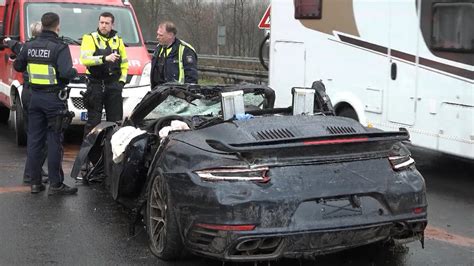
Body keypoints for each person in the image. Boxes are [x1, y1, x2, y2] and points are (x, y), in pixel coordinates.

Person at [14, 12, 78, 195]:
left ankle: (35, 183)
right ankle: (56, 185)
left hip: (34, 97)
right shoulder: (59, 47)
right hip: (53, 100)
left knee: (34, 140)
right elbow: (66, 72)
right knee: (54, 141)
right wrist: (75, 73)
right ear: (57, 26)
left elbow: (18, 66)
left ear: (42, 26)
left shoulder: (30, 45)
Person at [3, 22, 49, 183]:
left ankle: (32, 171)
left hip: (29, 94)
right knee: (41, 137)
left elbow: (17, 55)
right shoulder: (47, 49)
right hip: (41, 95)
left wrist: (7, 41)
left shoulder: (25, 47)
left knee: (34, 136)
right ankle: (32, 172)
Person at [80, 12, 128, 137]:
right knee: (93, 123)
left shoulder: (118, 40)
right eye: (101, 22)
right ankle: (90, 155)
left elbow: (124, 64)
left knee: (115, 122)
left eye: (107, 23)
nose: (104, 25)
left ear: (112, 25)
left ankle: (112, 153)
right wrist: (104, 58)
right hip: (95, 85)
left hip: (113, 85)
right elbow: (85, 59)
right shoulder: (90, 38)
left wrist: (121, 82)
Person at [150, 21, 198, 89]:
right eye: (157, 34)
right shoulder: (158, 48)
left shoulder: (186, 50)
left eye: (161, 35)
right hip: (158, 93)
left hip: (177, 95)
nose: (157, 37)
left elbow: (191, 78)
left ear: (170, 35)